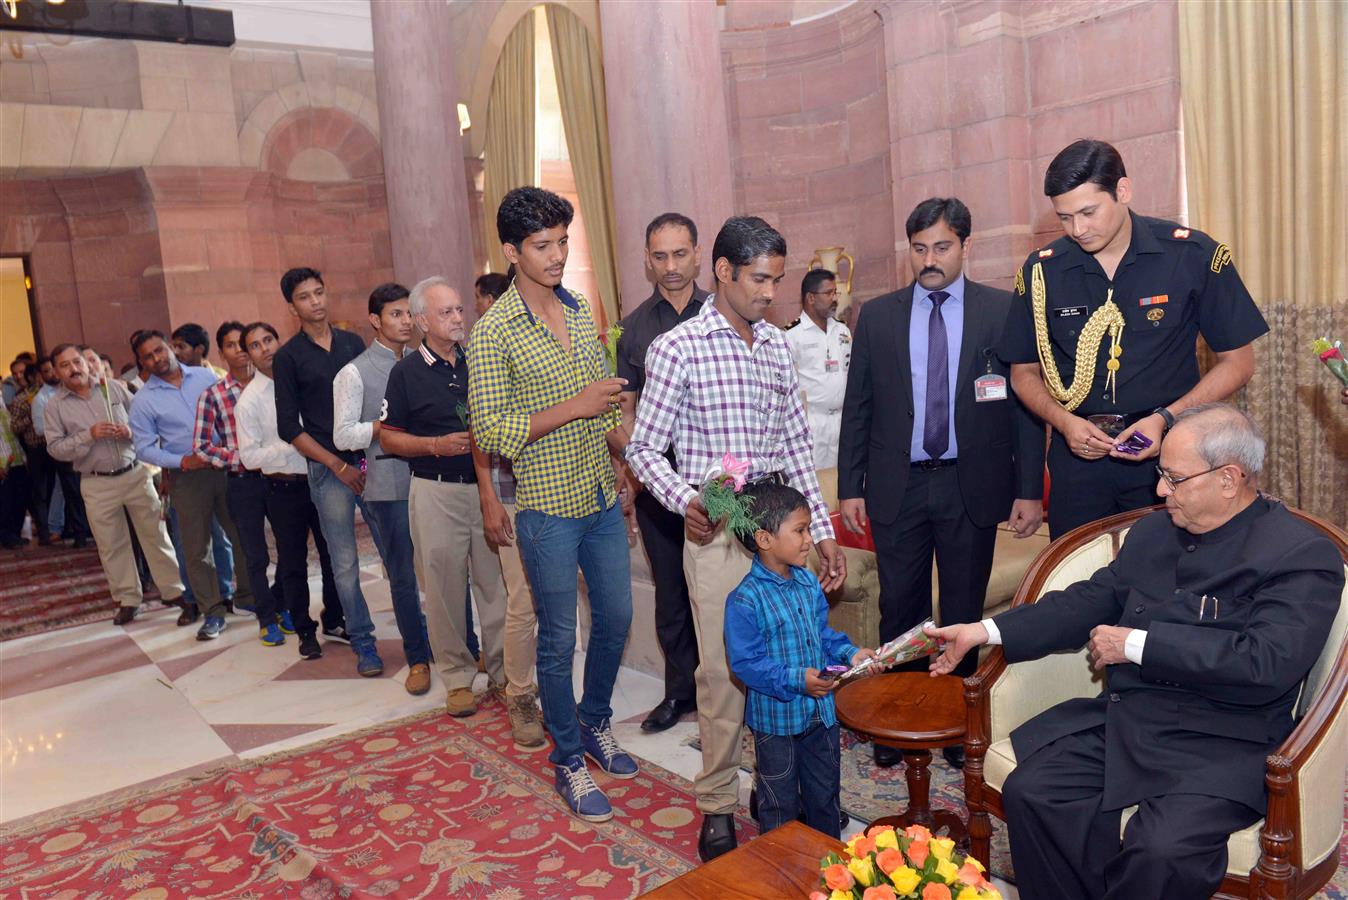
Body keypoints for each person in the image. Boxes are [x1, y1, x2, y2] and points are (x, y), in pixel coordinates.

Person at [927, 403, 1343, 900]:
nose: (1160, 490)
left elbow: (1265, 661)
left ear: (1229, 479)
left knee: (1160, 851)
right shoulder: (1153, 533)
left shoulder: (1299, 555)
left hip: (1227, 742)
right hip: (1135, 720)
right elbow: (1086, 601)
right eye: (1161, 474)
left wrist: (1138, 644)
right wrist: (984, 630)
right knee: (1032, 792)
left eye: (1173, 477)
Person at [626, 215, 847, 862]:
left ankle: (779, 785)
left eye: (777, 280)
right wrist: (686, 501)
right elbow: (644, 450)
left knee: (789, 654)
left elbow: (794, 447)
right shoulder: (679, 348)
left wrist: (822, 531)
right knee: (723, 673)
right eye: (758, 279)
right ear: (721, 271)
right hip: (719, 526)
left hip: (778, 525)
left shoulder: (778, 346)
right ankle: (718, 801)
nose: (769, 293)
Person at [838, 197, 1045, 770]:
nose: (930, 259)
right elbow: (859, 406)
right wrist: (850, 487)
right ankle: (893, 717)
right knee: (899, 609)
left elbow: (1026, 412)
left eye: (942, 246)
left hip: (970, 485)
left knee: (961, 608)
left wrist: (1028, 488)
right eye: (920, 248)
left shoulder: (1001, 312)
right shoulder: (878, 316)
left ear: (966, 246)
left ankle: (955, 722)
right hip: (895, 485)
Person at [999, 139, 1268, 538]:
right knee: (1079, 579)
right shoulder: (1042, 272)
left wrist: (1165, 420)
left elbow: (1239, 362)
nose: (1078, 230)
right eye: (1065, 217)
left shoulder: (1191, 255)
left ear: (1122, 191)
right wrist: (1064, 422)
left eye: (1089, 212)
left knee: (1167, 578)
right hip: (1079, 460)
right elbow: (1023, 371)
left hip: (1171, 458)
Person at [469, 186, 637, 823]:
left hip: (597, 492)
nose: (558, 255)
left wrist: (625, 459)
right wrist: (578, 406)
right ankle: (567, 757)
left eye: (564, 242)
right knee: (558, 637)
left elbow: (604, 407)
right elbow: (490, 431)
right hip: (546, 508)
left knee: (618, 619)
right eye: (543, 246)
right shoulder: (493, 334)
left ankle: (594, 721)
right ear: (512, 251)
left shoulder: (577, 306)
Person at [379, 277, 511, 719]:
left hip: (488, 490)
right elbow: (390, 439)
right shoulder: (405, 373)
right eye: (446, 312)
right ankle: (456, 678)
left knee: (496, 585)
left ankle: (502, 672)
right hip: (435, 491)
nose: (458, 318)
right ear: (421, 322)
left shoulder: (482, 362)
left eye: (459, 310)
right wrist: (435, 446)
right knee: (443, 588)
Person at [724, 480, 876, 838]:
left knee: (825, 797)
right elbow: (746, 664)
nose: (810, 539)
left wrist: (850, 653)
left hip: (821, 716)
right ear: (764, 540)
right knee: (780, 804)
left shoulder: (808, 583)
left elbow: (823, 635)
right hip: (776, 724)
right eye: (800, 530)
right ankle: (782, 874)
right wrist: (797, 679)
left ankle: (828, 871)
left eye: (808, 529)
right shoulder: (744, 600)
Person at [615, 212, 711, 734]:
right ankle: (680, 693)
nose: (671, 266)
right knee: (671, 593)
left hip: (722, 486)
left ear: (698, 255)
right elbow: (625, 412)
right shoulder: (635, 328)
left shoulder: (723, 314)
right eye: (660, 256)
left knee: (724, 594)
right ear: (647, 260)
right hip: (659, 484)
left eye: (680, 254)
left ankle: (733, 694)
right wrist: (634, 474)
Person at [272, 267, 384, 676]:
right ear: (292, 307)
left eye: (320, 292)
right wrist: (336, 465)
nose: (316, 301)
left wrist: (367, 458)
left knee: (394, 550)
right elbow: (289, 427)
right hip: (327, 470)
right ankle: (364, 642)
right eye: (305, 296)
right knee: (344, 563)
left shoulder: (352, 342)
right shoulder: (288, 357)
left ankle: (415, 627)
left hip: (369, 462)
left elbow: (372, 404)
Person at [332, 282, 433, 694]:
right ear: (375, 321)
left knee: (446, 567)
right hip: (388, 483)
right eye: (396, 314)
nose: (406, 321)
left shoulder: (424, 361)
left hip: (430, 478)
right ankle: (419, 658)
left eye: (409, 313)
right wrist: (387, 427)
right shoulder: (354, 371)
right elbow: (342, 434)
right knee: (403, 577)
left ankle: (464, 645)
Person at [42, 344, 186, 623]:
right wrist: (89, 435)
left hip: (134, 473)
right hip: (96, 483)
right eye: (65, 365)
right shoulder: (54, 406)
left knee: (156, 536)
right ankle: (128, 599)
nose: (73, 369)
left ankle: (174, 590)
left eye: (77, 362)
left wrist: (130, 431)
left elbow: (145, 425)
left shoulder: (115, 388)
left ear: (87, 363)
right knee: (111, 544)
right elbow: (56, 449)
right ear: (57, 373)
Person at [129, 330, 252, 637]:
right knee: (197, 547)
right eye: (148, 356)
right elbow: (143, 448)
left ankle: (249, 597)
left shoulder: (204, 377)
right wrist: (182, 461)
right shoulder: (144, 400)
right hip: (187, 477)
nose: (157, 358)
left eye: (159, 350)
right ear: (141, 362)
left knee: (240, 534)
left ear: (170, 347)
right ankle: (212, 611)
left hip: (226, 467)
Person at [236, 321, 345, 660]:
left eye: (269, 339)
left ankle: (335, 618)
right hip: (284, 488)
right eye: (255, 345)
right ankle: (304, 630)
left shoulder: (298, 378)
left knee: (333, 555)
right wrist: (297, 447)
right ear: (249, 355)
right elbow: (249, 456)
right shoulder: (249, 400)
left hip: (322, 478)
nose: (265, 348)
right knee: (293, 563)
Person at [471, 276, 545, 749]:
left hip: (557, 489)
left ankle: (552, 691)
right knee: (523, 601)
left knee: (556, 602)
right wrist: (490, 498)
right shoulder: (490, 343)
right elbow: (483, 431)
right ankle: (519, 694)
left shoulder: (555, 331)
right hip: (511, 491)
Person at [192, 320, 288, 644]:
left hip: (280, 477)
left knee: (289, 547)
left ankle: (284, 604)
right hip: (243, 481)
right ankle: (265, 617)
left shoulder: (277, 384)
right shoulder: (214, 395)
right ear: (222, 354)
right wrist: (240, 457)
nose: (241, 351)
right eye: (231, 345)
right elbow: (202, 446)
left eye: (245, 345)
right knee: (254, 554)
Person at [784, 268, 851, 469]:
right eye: (829, 293)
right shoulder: (791, 335)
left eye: (835, 293)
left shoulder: (842, 330)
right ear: (811, 298)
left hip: (841, 420)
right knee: (814, 485)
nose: (834, 298)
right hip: (811, 423)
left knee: (843, 483)